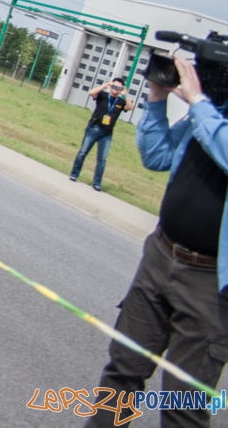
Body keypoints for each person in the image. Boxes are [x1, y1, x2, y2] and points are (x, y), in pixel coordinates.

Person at [85, 57, 228, 427]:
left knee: (184, 404)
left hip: (211, 285)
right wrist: (158, 95)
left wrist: (198, 102)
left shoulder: (207, 112)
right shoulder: (213, 112)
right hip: (160, 256)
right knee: (122, 372)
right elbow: (157, 155)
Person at [70, 77, 131, 192]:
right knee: (83, 152)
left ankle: (97, 183)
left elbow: (130, 107)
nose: (115, 89)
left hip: (107, 133)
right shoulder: (103, 95)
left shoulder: (120, 101)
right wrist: (105, 85)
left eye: (118, 87)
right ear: (111, 85)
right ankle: (74, 174)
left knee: (102, 159)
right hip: (94, 128)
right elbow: (91, 93)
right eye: (114, 86)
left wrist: (125, 94)